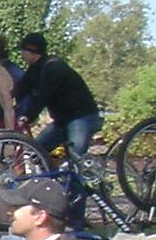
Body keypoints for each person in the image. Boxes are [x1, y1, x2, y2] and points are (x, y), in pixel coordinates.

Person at [14, 33, 101, 161]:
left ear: (32, 51)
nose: (21, 54)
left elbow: (45, 95)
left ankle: (81, 179)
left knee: (75, 158)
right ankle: (52, 179)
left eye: (23, 50)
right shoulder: (34, 70)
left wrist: (28, 116)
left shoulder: (54, 67)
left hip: (81, 118)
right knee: (36, 152)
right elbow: (20, 90)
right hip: (62, 121)